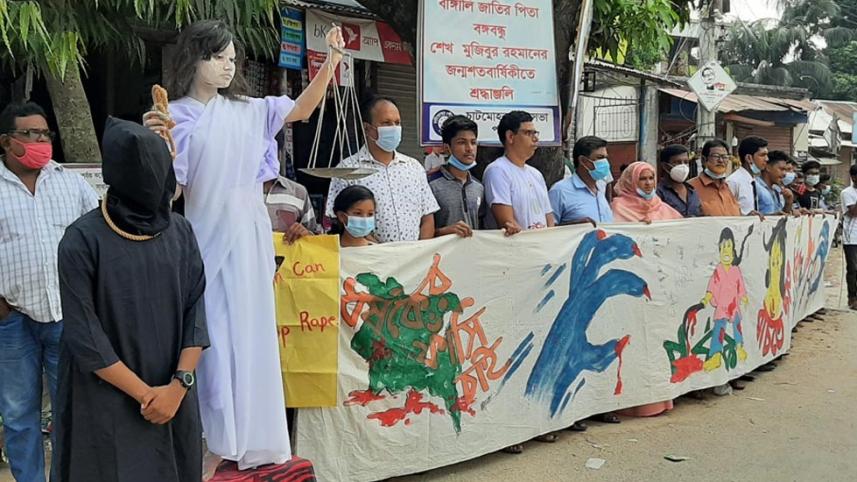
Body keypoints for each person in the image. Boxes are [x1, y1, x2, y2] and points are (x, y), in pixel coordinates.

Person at [143, 19, 344, 470]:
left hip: (250, 233)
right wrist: (159, 148)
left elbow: (302, 110)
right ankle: (215, 438)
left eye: (233, 59)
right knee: (210, 335)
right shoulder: (174, 115)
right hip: (205, 235)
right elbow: (172, 193)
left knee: (250, 332)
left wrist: (331, 61)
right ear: (195, 59)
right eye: (219, 58)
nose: (229, 67)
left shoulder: (251, 110)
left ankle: (253, 439)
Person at [55, 118, 208, 482]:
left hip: (172, 388)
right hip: (108, 396)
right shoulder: (81, 241)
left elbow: (195, 314)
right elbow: (86, 338)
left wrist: (177, 387)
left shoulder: (180, 231)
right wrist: (152, 396)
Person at [0, 101, 98, 482]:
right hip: (13, 322)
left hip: (65, 317)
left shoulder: (70, 183)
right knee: (19, 414)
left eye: (44, 133)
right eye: (30, 134)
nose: (40, 140)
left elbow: (97, 239)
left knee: (69, 412)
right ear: (6, 141)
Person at [326, 96, 439, 243]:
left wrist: (418, 253)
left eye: (397, 123)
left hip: (414, 261)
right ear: (367, 128)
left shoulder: (414, 168)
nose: (393, 128)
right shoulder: (347, 170)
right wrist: (383, 254)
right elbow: (340, 220)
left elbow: (427, 218)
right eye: (386, 123)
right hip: (372, 260)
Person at [483, 111, 554, 234]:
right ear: (510, 136)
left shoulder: (536, 174)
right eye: (528, 133)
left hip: (543, 248)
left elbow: (549, 218)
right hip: (516, 249)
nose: (535, 138)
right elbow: (507, 223)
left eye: (535, 133)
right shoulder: (497, 170)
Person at [430, 115, 482, 237]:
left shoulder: (479, 187)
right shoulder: (431, 185)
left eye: (473, 142)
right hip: (441, 255)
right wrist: (445, 232)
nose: (469, 148)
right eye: (461, 142)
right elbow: (421, 230)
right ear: (447, 148)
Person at [548, 136, 614, 226]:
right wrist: (574, 226)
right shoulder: (560, 191)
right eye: (600, 157)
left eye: (605, 158)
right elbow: (548, 230)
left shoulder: (600, 188)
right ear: (583, 161)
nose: (605, 162)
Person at [611, 161, 682, 223]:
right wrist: (638, 226)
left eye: (651, 178)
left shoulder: (659, 205)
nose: (648, 183)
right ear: (631, 182)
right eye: (642, 179)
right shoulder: (619, 207)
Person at [688, 139, 742, 217]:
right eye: (716, 156)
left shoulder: (727, 187)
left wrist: (749, 217)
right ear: (703, 160)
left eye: (724, 157)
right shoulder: (691, 187)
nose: (721, 160)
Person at [264, 175, 319, 240]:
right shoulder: (249, 191)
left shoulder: (298, 192)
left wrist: (305, 233)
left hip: (286, 249)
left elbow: (314, 237)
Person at [656, 144, 701, 217]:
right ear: (665, 166)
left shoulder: (692, 192)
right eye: (677, 162)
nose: (683, 166)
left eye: (686, 162)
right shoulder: (658, 193)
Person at [727, 136, 768, 215]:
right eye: (762, 155)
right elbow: (727, 215)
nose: (766, 159)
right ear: (749, 158)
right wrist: (746, 218)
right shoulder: (733, 182)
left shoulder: (752, 181)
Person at [841, 164, 857, 310]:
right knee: (853, 268)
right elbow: (854, 212)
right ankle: (852, 297)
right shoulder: (847, 193)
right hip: (852, 236)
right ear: (853, 177)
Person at [756, 150, 788, 215]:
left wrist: (789, 202)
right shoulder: (755, 187)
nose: (785, 174)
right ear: (768, 167)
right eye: (781, 169)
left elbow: (781, 215)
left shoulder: (777, 190)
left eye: (785, 170)